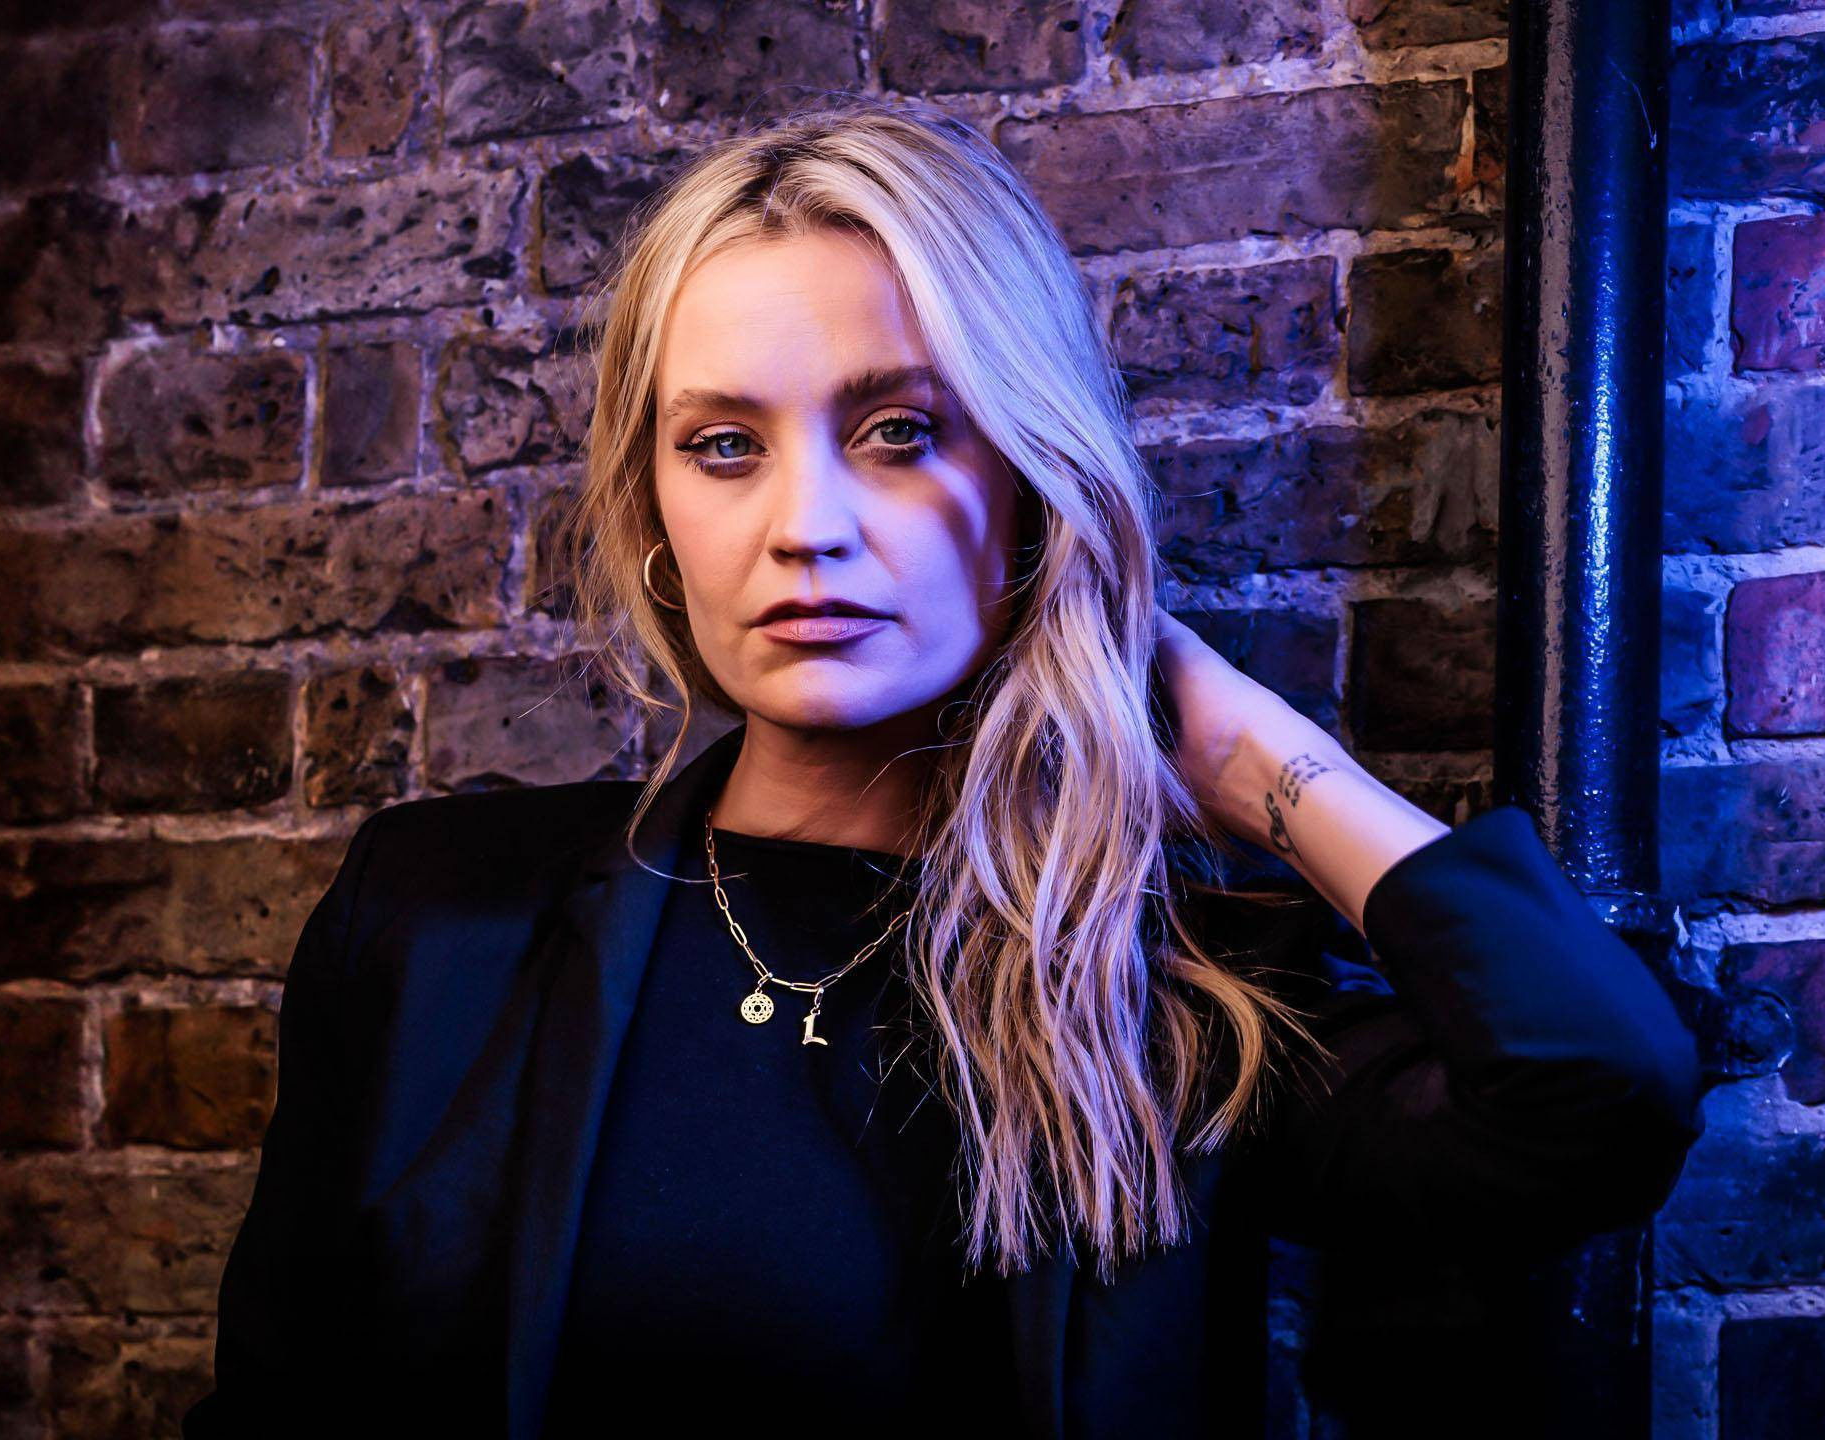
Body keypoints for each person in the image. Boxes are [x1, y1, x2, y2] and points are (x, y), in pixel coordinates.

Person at [181, 95, 1705, 1438]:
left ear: (1035, 478)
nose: (806, 528)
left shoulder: (1176, 1002)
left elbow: (1595, 1097)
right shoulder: (435, 923)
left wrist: (1249, 750)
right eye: (724, 445)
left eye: (901, 430)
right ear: (653, 507)